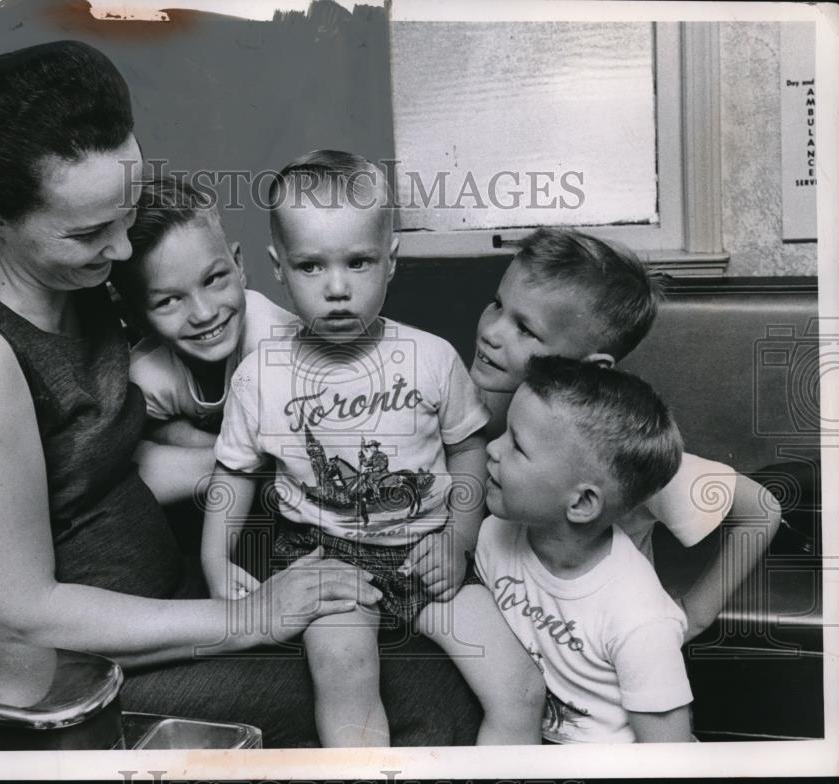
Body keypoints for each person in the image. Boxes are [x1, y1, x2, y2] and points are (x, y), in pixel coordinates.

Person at [0, 42, 481, 748]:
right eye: (90, 232)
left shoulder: (75, 276)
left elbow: (97, 471)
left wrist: (290, 462)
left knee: (436, 640)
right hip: (77, 674)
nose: (125, 252)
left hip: (173, 600)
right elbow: (20, 616)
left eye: (126, 212)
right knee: (420, 689)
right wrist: (258, 617)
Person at [202, 150, 489, 746]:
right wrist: (215, 557)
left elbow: (468, 450)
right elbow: (234, 474)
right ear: (278, 269)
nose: (337, 289)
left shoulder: (431, 357)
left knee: (515, 680)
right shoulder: (261, 375)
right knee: (344, 674)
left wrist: (458, 540)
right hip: (324, 558)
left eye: (358, 262)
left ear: (391, 260)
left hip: (426, 548)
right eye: (311, 267)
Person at [469, 227, 781, 641]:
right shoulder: (470, 404)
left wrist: (694, 615)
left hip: (599, 660)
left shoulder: (610, 449)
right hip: (509, 640)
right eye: (496, 304)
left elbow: (761, 509)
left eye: (525, 329)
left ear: (592, 366)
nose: (492, 331)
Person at [424, 356, 694, 743]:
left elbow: (669, 754)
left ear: (582, 503)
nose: (493, 449)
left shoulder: (640, 618)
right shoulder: (494, 533)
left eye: (517, 445)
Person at [108, 175, 295, 504]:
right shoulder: (146, 372)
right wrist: (200, 442)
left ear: (238, 265)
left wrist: (188, 439)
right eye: (169, 301)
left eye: (213, 279)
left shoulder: (275, 344)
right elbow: (136, 451)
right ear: (136, 316)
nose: (205, 312)